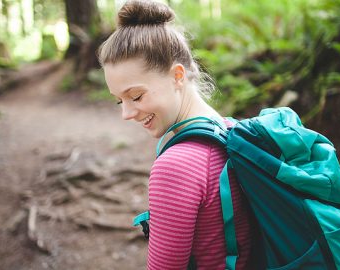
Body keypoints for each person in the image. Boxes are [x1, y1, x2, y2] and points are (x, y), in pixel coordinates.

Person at [98, 0, 255, 269]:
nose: (126, 113)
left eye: (136, 96)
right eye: (119, 101)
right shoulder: (232, 130)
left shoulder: (176, 165)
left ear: (177, 75)